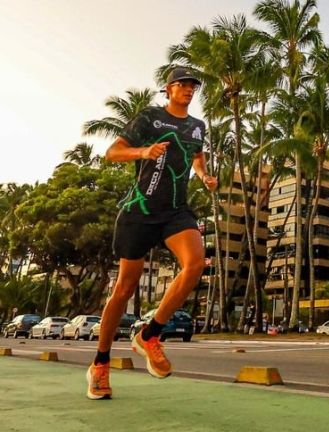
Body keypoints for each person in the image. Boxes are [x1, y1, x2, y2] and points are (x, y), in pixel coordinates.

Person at [86, 67, 217, 400]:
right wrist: (143, 151)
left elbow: (197, 156)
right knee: (125, 287)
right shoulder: (150, 118)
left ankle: (150, 334)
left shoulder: (196, 127)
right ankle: (100, 363)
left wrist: (203, 176)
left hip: (175, 211)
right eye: (183, 84)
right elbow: (113, 152)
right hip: (139, 210)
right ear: (168, 89)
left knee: (196, 263)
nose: (189, 89)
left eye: (193, 86)